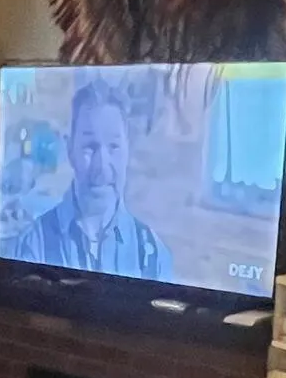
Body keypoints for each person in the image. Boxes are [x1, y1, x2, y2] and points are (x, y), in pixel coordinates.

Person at [19, 81, 172, 279]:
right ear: (70, 150)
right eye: (90, 147)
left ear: (128, 150)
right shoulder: (34, 244)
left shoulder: (153, 255)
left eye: (114, 146)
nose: (102, 167)